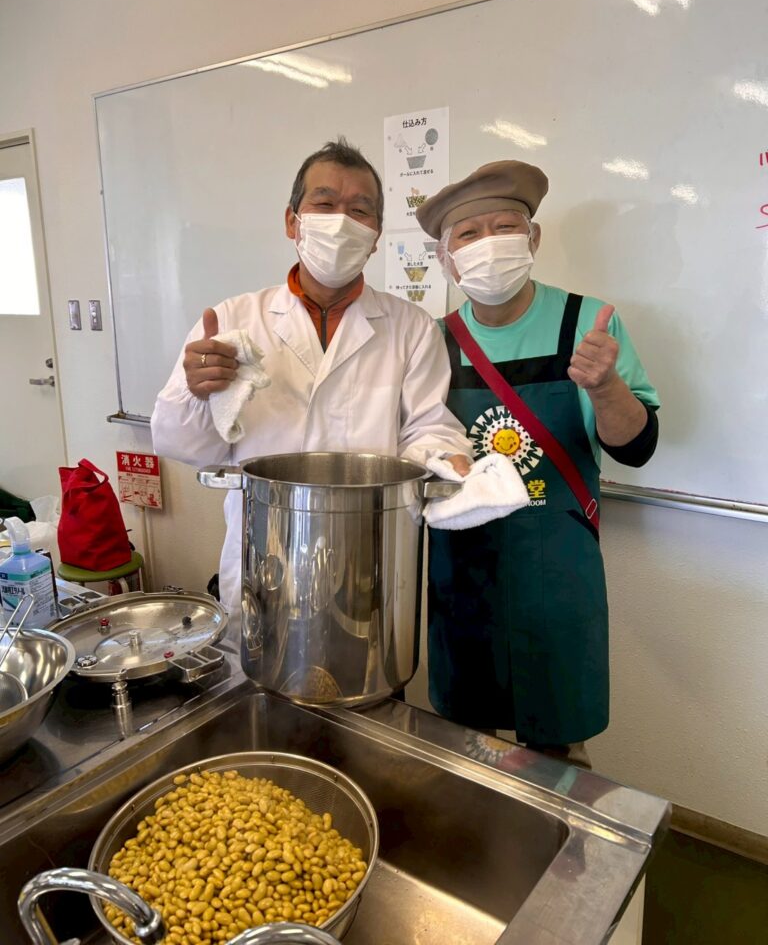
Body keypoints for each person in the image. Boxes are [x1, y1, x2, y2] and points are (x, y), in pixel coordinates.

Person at [151, 138, 471, 611]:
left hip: (368, 555)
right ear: (292, 221)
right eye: (324, 204)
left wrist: (445, 458)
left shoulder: (412, 327)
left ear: (376, 235)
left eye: (359, 210)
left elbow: (429, 428)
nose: (341, 221)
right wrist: (198, 394)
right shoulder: (233, 321)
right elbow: (179, 444)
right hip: (265, 556)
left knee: (369, 656)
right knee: (259, 655)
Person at [415, 160, 660, 763]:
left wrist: (606, 387)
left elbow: (637, 447)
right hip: (462, 566)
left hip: (558, 566)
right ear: (446, 260)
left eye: (505, 227)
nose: (488, 244)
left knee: (559, 748)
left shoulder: (588, 323)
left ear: (533, 238)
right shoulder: (432, 340)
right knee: (467, 746)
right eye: (468, 235)